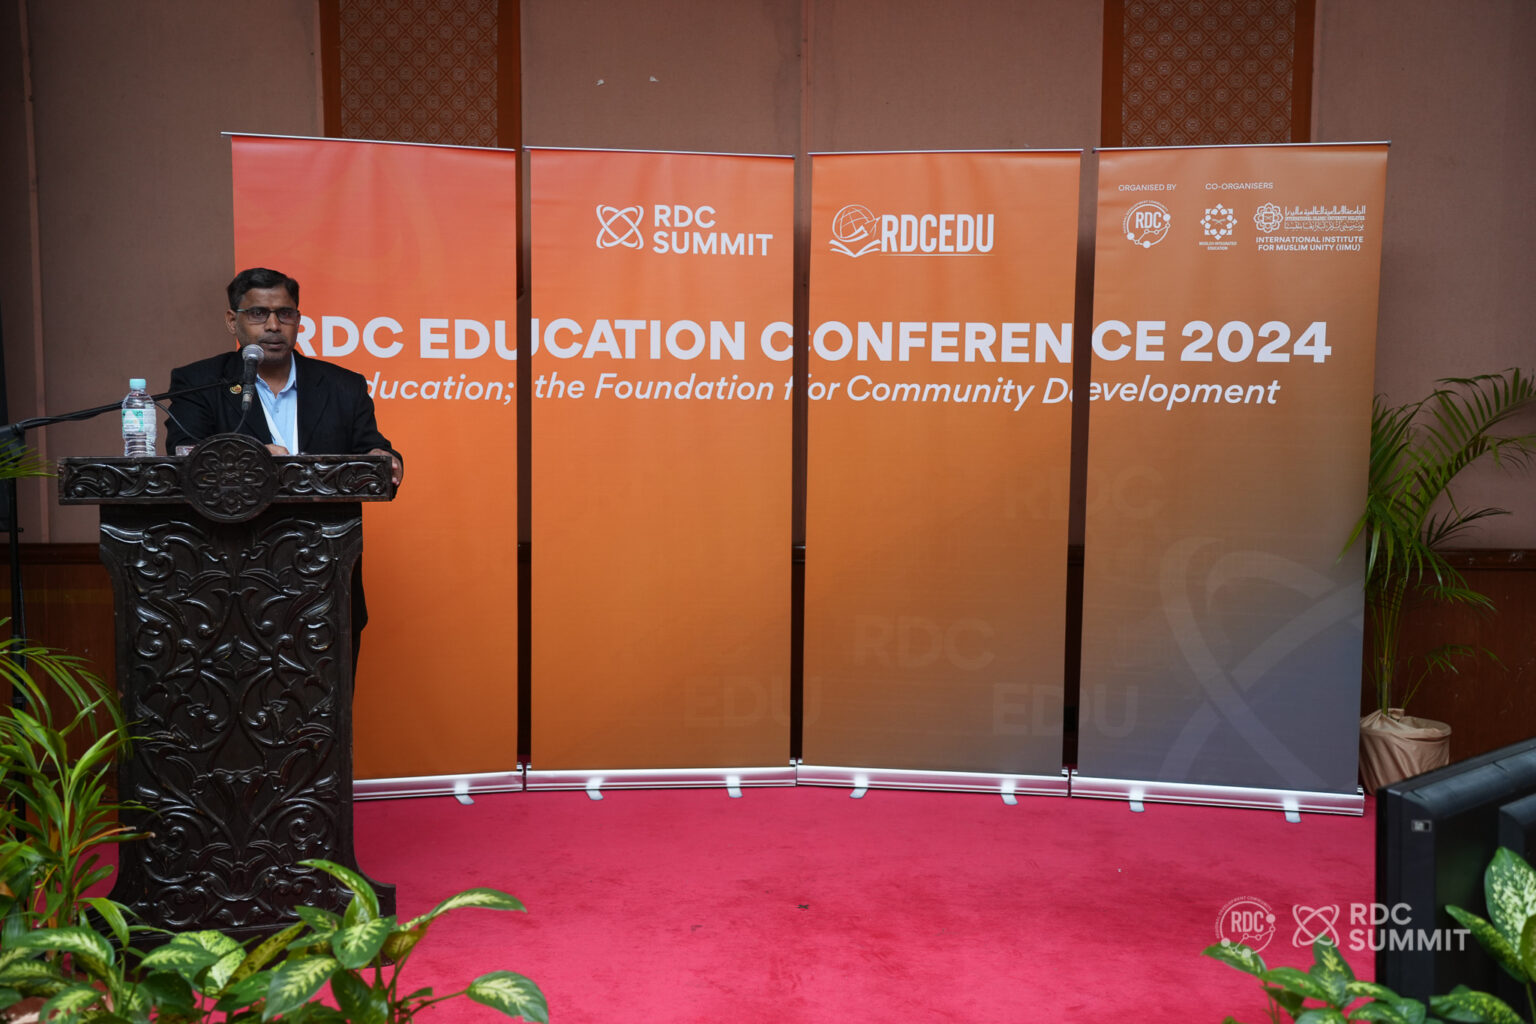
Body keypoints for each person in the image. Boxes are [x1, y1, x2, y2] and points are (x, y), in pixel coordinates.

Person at [166, 267, 404, 674]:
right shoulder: (200, 383)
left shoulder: (342, 385)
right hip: (230, 583)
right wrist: (253, 456)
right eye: (258, 313)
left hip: (326, 582)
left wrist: (387, 459)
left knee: (328, 706)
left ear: (298, 319)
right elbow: (185, 457)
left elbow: (373, 450)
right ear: (232, 321)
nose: (274, 326)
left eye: (285, 314)